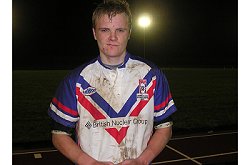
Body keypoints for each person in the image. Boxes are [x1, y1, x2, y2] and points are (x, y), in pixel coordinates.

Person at [48, 0, 177, 164]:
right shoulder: (76, 80)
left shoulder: (152, 75)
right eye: (105, 30)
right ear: (94, 33)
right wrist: (90, 163)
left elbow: (165, 127)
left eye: (120, 30)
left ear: (129, 32)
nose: (113, 37)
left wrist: (142, 161)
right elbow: (59, 134)